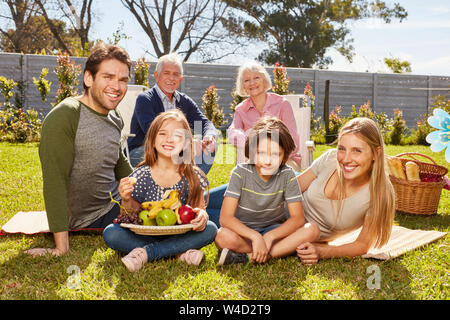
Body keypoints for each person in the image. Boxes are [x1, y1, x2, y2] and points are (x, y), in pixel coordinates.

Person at [25, 43, 133, 257]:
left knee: (191, 202)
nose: (117, 86)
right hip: (92, 218)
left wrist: (149, 183)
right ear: (88, 78)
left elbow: (119, 160)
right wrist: (61, 247)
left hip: (118, 202)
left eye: (123, 80)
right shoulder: (66, 115)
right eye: (108, 77)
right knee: (191, 215)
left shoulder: (115, 116)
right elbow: (55, 181)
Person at [103, 109, 218, 272]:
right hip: (145, 234)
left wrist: (202, 216)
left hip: (180, 234)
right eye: (162, 133)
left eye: (177, 135)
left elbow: (199, 208)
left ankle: (147, 253)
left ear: (186, 143)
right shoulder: (141, 175)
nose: (169, 139)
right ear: (152, 139)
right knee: (111, 233)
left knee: (211, 228)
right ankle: (178, 252)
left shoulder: (191, 175)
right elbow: (131, 215)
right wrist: (126, 198)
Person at [215, 117, 320, 265]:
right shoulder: (240, 173)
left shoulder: (287, 175)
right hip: (244, 232)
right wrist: (255, 237)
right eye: (261, 153)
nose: (268, 160)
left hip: (275, 232)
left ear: (284, 156)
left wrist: (269, 236)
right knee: (222, 236)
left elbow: (297, 219)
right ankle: (271, 252)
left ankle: (249, 256)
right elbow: (226, 219)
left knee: (312, 230)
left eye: (276, 154)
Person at [293, 117, 396, 265]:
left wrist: (321, 251)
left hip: (304, 234)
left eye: (357, 151)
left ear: (376, 153)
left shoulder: (379, 193)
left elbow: (362, 245)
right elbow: (292, 188)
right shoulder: (330, 159)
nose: (346, 159)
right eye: (342, 148)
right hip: (283, 214)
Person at [127, 52, 218, 174]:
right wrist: (187, 143)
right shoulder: (145, 99)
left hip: (172, 149)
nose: (171, 78)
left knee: (208, 148)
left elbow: (204, 123)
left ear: (180, 79)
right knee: (178, 151)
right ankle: (180, 186)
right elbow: (154, 133)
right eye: (166, 73)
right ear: (156, 75)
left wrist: (209, 137)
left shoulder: (184, 101)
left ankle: (189, 187)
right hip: (142, 151)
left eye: (176, 74)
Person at [227, 60, 301, 171]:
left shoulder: (282, 104)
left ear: (264, 80)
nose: (252, 83)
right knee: (239, 175)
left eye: (256, 78)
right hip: (254, 162)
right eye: (247, 80)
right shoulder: (241, 109)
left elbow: (293, 142)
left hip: (285, 160)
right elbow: (233, 133)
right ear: (243, 86)